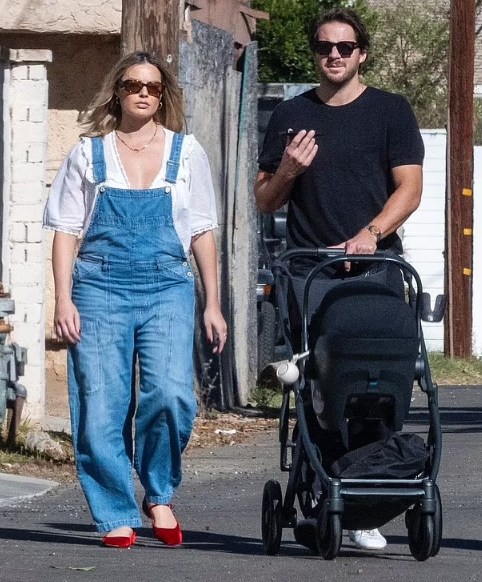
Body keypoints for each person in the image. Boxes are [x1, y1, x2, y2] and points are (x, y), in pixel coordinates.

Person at [255, 8, 424, 551]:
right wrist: (288, 170)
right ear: (316, 52)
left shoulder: (390, 111)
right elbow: (264, 198)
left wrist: (373, 232)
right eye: (325, 47)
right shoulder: (290, 113)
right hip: (312, 272)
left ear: (361, 54)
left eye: (345, 47)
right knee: (321, 383)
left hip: (376, 270)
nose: (334, 55)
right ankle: (330, 491)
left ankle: (366, 497)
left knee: (375, 379)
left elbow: (411, 188)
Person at [43, 51, 227, 548]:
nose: (143, 92)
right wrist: (64, 300)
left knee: (170, 394)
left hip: (168, 284)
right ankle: (113, 510)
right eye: (132, 84)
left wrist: (213, 303)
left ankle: (159, 492)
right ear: (117, 93)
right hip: (99, 286)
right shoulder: (88, 154)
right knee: (101, 403)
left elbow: (203, 231)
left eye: (152, 85)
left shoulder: (187, 153)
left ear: (162, 93)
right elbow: (64, 231)